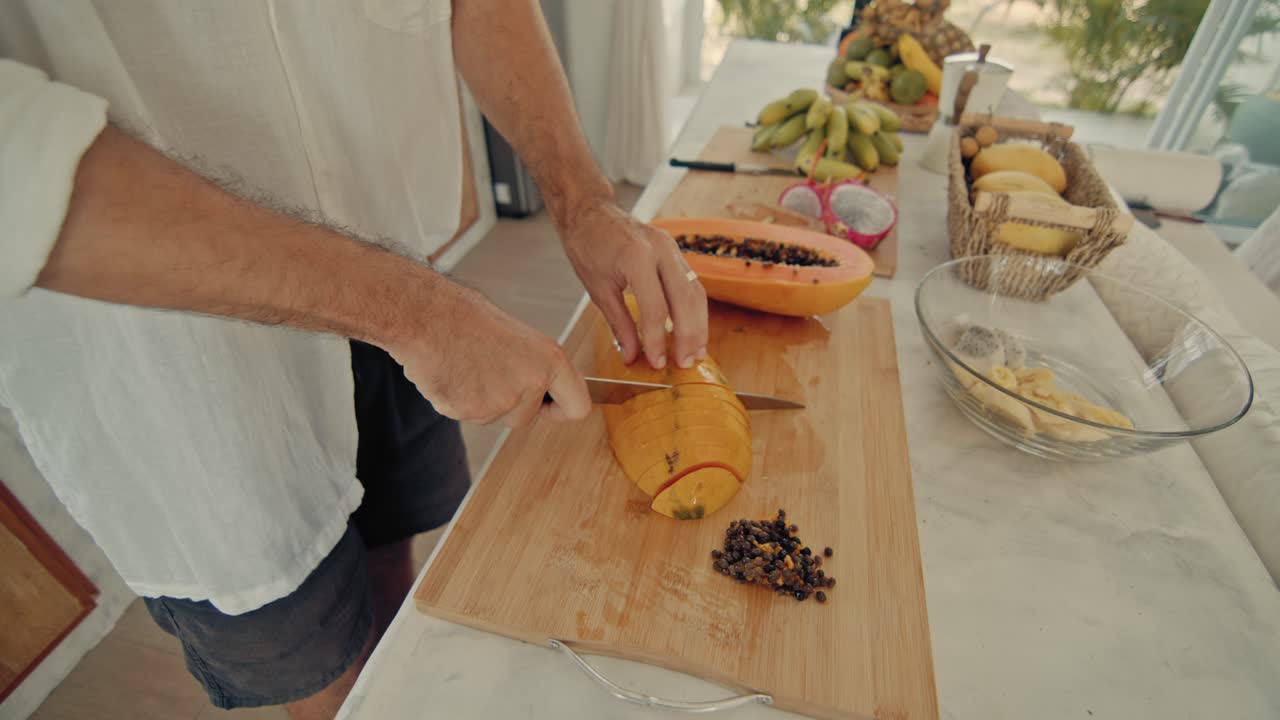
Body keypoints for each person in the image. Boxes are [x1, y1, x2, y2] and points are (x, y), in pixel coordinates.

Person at [0, 2, 707, 717]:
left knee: (392, 574)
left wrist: (584, 200)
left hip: (400, 276)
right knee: (331, 684)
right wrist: (419, 315)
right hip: (185, 375)